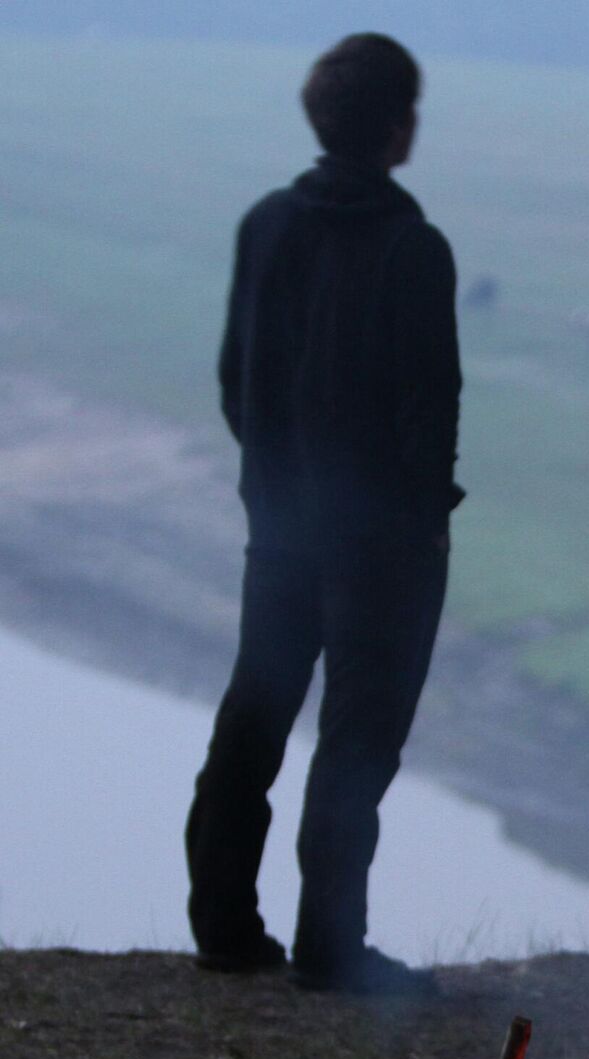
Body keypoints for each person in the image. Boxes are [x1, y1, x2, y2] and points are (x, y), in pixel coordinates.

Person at [186, 33, 463, 993]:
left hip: (281, 526)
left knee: (255, 715)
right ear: (395, 126)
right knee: (355, 741)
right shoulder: (412, 249)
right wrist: (425, 525)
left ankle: (223, 926)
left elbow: (236, 380)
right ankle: (330, 948)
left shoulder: (267, 225)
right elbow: (432, 414)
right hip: (380, 548)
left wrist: (275, 475)